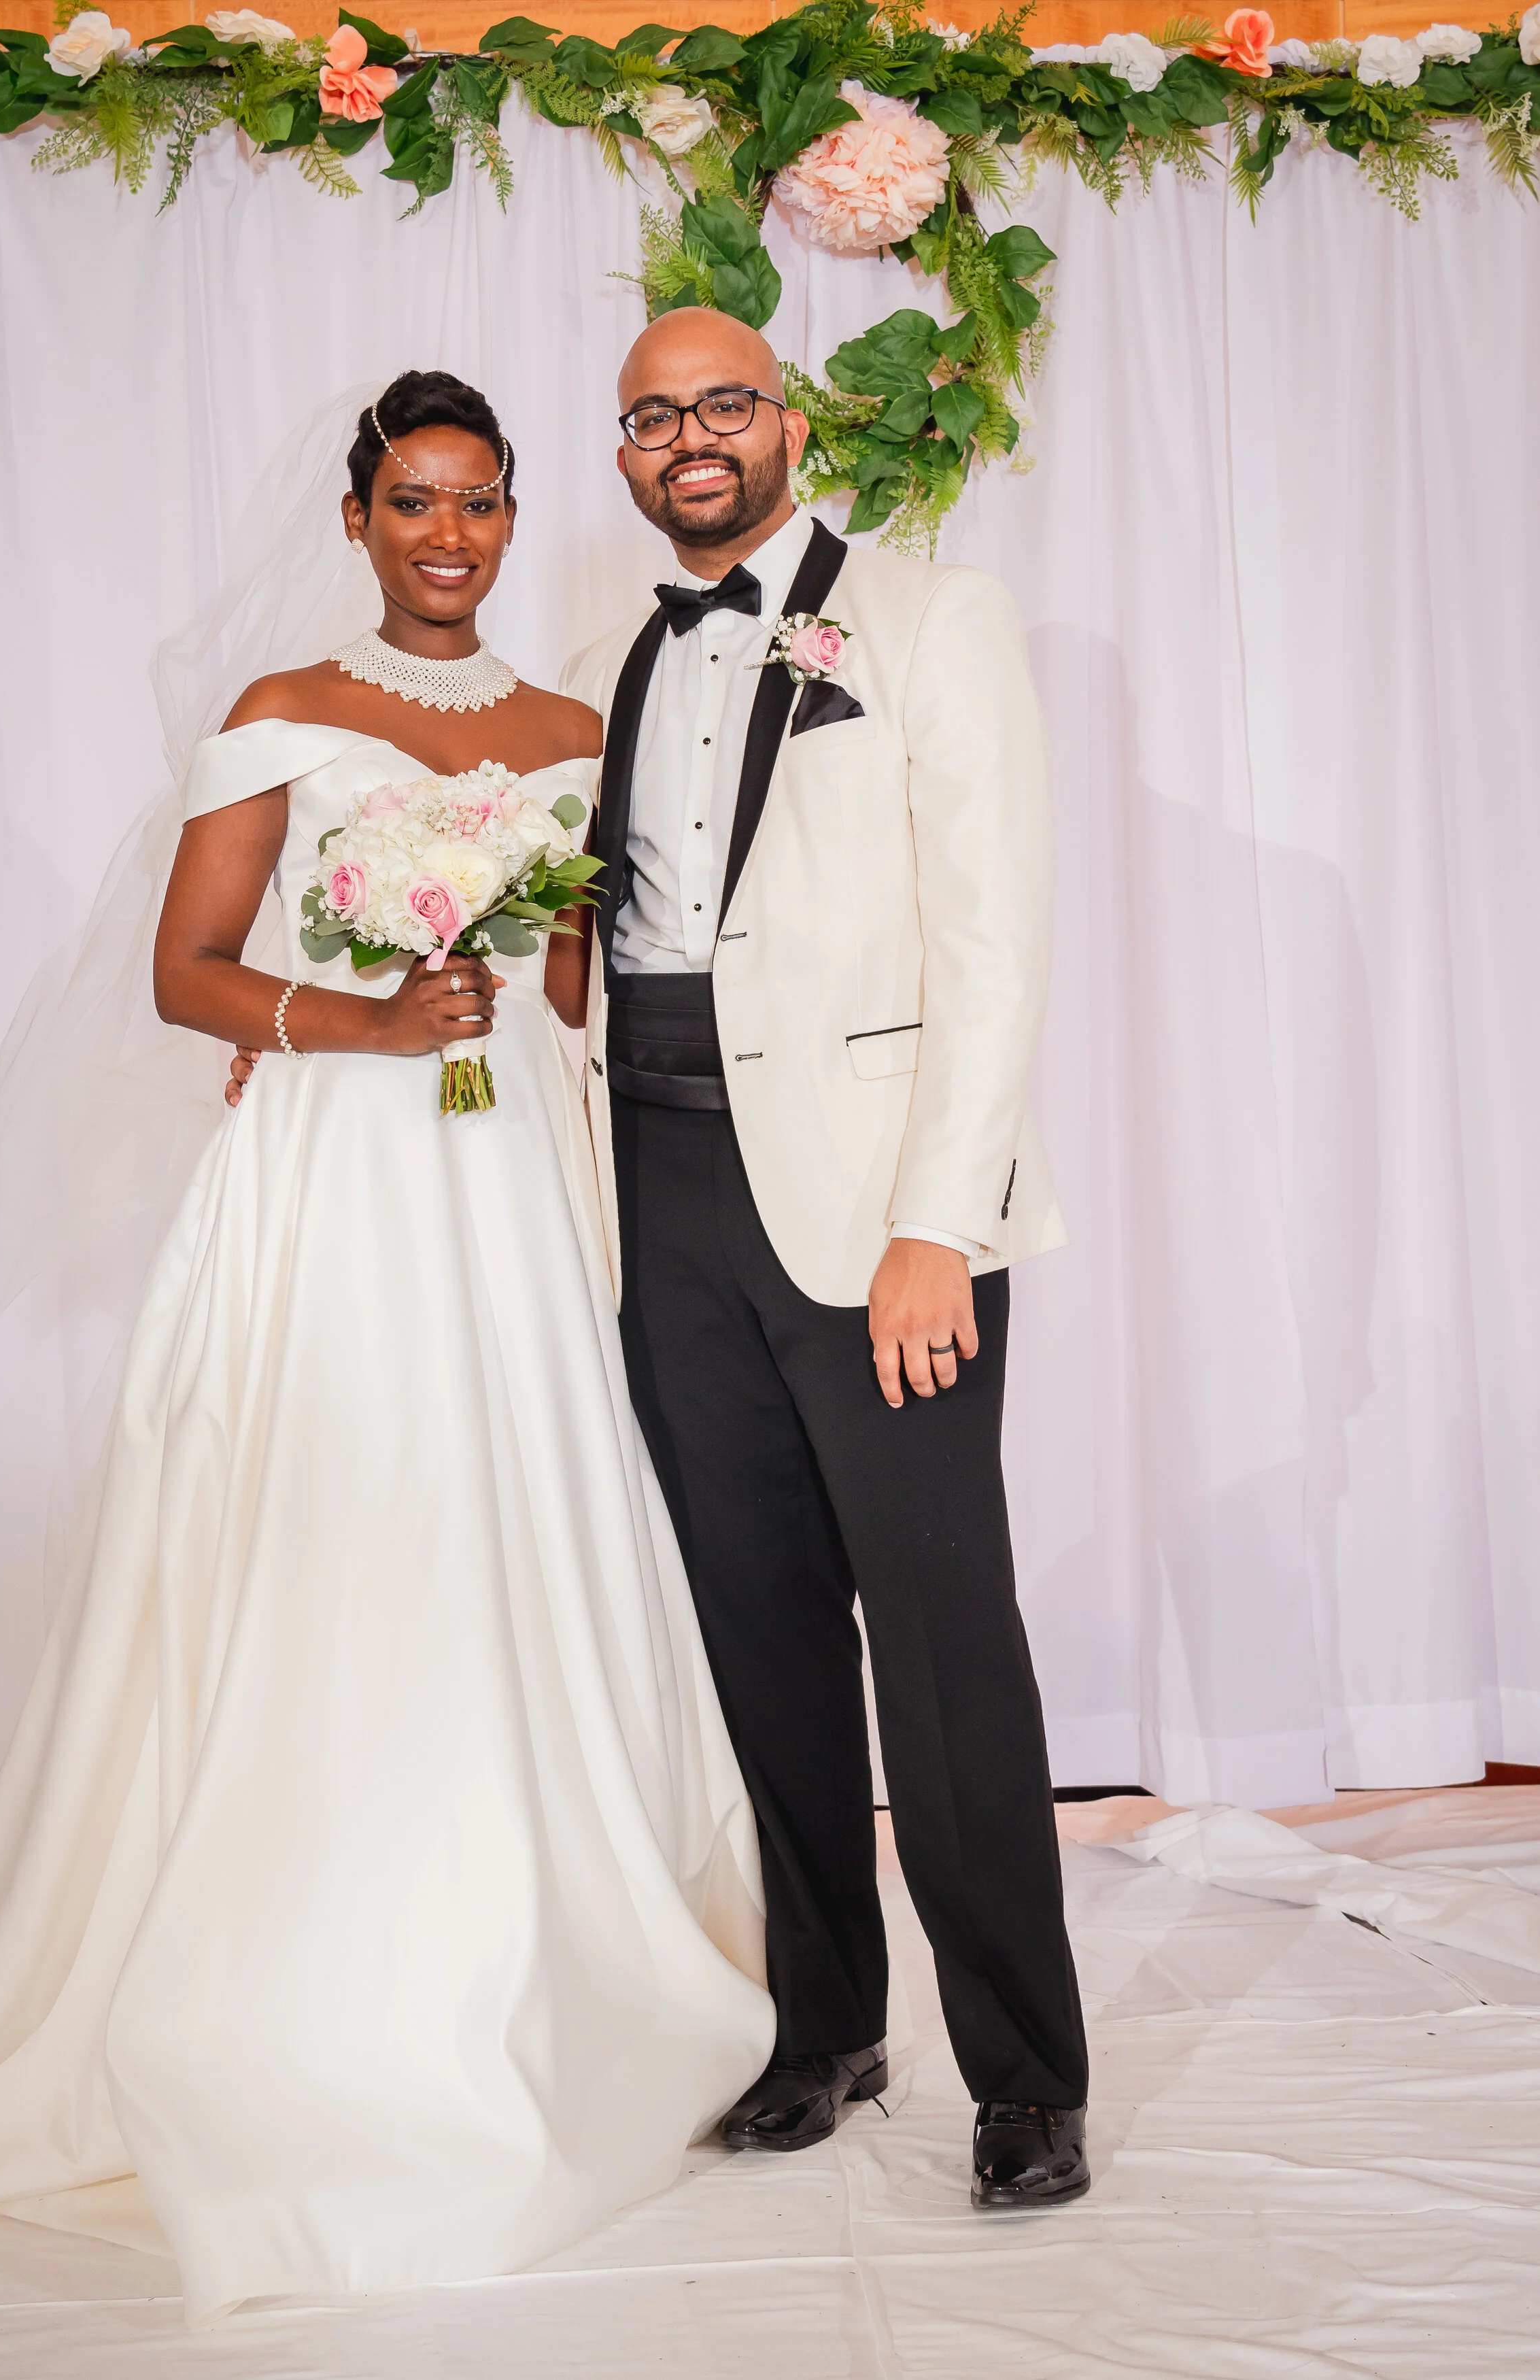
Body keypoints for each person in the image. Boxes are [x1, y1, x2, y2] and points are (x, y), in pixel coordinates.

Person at [0, 372, 776, 2322]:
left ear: (514, 519)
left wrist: (550, 986)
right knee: (332, 1514)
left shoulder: (569, 731)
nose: (450, 535)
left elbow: (576, 979)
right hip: (340, 1165)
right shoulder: (282, 710)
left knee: (514, 1511)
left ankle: (542, 1944)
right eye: (413, 501)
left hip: (510, 1169)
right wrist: (360, 1023)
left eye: (481, 502)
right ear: (356, 520)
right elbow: (183, 969)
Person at [560, 307, 1090, 2207]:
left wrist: (936, 1226)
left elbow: (995, 942)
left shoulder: (935, 619)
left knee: (942, 1645)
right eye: (652, 415)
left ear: (786, 423)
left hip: (876, 1215)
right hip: (663, 1196)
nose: (688, 436)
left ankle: (1025, 2072)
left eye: (722, 402)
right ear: (627, 450)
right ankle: (825, 2027)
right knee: (758, 1634)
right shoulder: (609, 660)